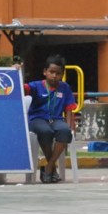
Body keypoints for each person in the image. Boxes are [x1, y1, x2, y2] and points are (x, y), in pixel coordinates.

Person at [25, 54, 77, 183]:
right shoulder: (36, 85)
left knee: (64, 131)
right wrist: (17, 71)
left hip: (56, 120)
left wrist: (70, 126)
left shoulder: (65, 87)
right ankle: (52, 168)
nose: (54, 76)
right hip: (37, 119)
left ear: (62, 74)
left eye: (58, 73)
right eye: (51, 72)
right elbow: (24, 88)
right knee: (45, 131)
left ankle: (48, 167)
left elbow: (69, 108)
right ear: (45, 72)